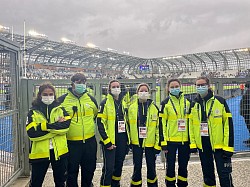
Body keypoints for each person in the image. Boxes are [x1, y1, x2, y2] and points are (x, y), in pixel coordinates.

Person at [189, 76, 234, 187]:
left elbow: (228, 125)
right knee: (208, 175)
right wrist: (193, 144)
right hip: (203, 145)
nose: (200, 87)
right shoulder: (193, 104)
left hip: (220, 146)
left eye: (202, 85)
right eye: (198, 85)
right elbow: (191, 126)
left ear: (208, 86)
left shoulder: (220, 101)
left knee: (224, 174)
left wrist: (228, 147)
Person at [26, 83, 71, 187]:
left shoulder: (61, 109)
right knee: (36, 183)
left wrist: (41, 127)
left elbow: (65, 127)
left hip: (59, 152)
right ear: (40, 95)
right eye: (45, 94)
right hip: (40, 153)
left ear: (54, 95)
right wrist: (54, 127)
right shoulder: (32, 112)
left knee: (60, 183)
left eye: (51, 94)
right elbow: (32, 133)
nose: (48, 96)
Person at [58, 73, 98, 187]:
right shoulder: (62, 100)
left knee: (89, 170)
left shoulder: (91, 99)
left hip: (89, 142)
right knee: (71, 172)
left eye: (83, 82)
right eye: (78, 82)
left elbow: (94, 116)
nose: (81, 85)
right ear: (72, 84)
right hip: (71, 143)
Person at [97, 79, 130, 187]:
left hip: (122, 139)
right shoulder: (104, 103)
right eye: (113, 87)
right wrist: (107, 142)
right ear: (109, 89)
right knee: (109, 168)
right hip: (110, 141)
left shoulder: (124, 103)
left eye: (117, 86)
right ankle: (105, 185)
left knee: (119, 165)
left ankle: (116, 184)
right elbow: (100, 123)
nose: (116, 88)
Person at [159, 78, 190, 187]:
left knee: (183, 166)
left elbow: (191, 122)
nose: (175, 88)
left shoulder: (187, 102)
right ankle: (170, 184)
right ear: (168, 88)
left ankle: (182, 184)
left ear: (180, 87)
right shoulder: (165, 103)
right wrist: (163, 142)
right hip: (170, 141)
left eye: (176, 86)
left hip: (184, 141)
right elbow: (161, 124)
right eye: (172, 87)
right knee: (170, 166)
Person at [128, 83, 160, 187]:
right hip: (136, 143)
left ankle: (153, 185)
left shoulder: (154, 108)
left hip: (150, 144)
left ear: (149, 93)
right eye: (141, 91)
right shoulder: (131, 108)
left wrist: (157, 145)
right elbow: (128, 126)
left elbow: (158, 128)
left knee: (151, 167)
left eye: (146, 91)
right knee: (137, 167)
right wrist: (129, 142)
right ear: (137, 93)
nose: (143, 93)